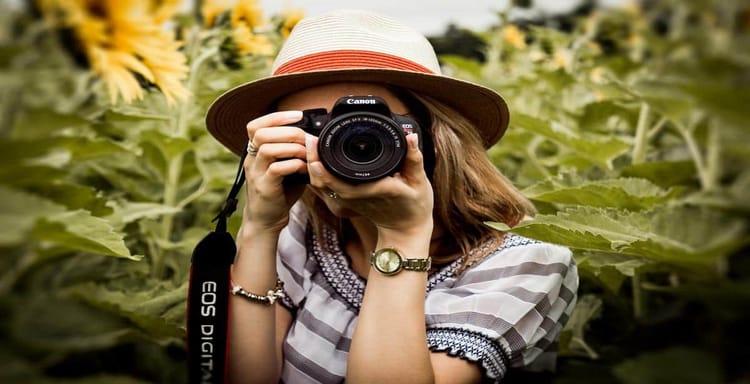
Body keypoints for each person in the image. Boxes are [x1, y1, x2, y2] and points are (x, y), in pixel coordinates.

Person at [205, 9, 578, 384]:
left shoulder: (529, 265)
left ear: (435, 137)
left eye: (372, 125)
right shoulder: (306, 229)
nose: (340, 145)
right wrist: (259, 225)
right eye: (313, 126)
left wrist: (402, 233)